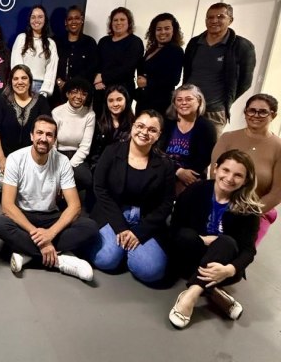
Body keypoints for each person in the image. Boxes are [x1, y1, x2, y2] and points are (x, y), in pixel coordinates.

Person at [0, 115, 98, 281]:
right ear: (31, 136)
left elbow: (75, 206)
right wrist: (42, 240)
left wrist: (50, 233)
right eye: (39, 133)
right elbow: (7, 205)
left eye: (49, 135)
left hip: (50, 216)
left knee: (90, 227)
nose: (43, 138)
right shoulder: (15, 158)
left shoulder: (62, 161)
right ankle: (60, 260)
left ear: (54, 140)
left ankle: (26, 252)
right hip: (24, 217)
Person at [168, 150, 262, 329]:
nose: (230, 178)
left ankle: (190, 296)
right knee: (186, 235)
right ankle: (212, 291)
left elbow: (248, 250)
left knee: (227, 242)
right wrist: (203, 240)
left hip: (221, 267)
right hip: (190, 254)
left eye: (238, 175)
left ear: (245, 180)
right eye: (226, 170)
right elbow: (175, 228)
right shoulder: (196, 190)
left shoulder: (249, 209)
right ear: (216, 169)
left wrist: (229, 270)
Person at [89, 110, 175, 283]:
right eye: (140, 126)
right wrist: (121, 227)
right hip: (113, 214)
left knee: (152, 271)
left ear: (158, 135)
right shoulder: (112, 151)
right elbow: (100, 188)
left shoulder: (165, 164)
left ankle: (126, 249)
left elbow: (166, 203)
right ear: (133, 126)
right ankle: (122, 249)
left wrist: (139, 232)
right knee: (105, 260)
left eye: (152, 130)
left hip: (144, 220)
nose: (144, 132)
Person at [211, 94, 281, 245]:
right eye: (251, 110)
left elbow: (277, 192)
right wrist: (224, 207)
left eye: (263, 112)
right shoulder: (227, 138)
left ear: (273, 115)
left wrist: (247, 213)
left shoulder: (278, 147)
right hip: (218, 206)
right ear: (245, 112)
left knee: (237, 251)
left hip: (256, 212)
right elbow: (215, 176)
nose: (256, 115)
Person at [183, 2, 256, 134]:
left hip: (214, 113)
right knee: (180, 143)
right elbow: (187, 73)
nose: (214, 20)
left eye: (220, 17)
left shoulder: (242, 46)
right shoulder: (195, 43)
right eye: (210, 17)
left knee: (208, 146)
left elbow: (245, 82)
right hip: (187, 108)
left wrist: (223, 102)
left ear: (230, 20)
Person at [0, 64, 51, 192]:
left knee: (31, 184)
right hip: (5, 153)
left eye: (24, 78)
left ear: (30, 81)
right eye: (15, 79)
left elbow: (46, 132)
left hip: (31, 156)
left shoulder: (41, 101)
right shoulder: (2, 101)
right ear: (11, 82)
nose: (20, 82)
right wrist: (2, 159)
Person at [159, 84, 216, 195]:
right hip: (163, 172)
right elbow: (157, 152)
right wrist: (177, 171)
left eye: (189, 99)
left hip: (191, 177)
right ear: (174, 104)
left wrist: (185, 179)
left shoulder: (206, 127)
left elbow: (204, 159)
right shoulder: (165, 123)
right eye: (179, 100)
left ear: (199, 101)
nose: (183, 103)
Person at [93, 7, 143, 114]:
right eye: (115, 20)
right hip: (101, 90)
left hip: (123, 90)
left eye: (122, 19)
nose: (118, 23)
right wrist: (97, 81)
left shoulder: (135, 42)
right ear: (111, 23)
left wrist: (103, 77)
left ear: (129, 22)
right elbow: (96, 64)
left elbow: (127, 68)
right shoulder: (103, 41)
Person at [135, 13, 185, 116]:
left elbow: (174, 79)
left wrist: (148, 82)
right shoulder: (152, 49)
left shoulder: (176, 50)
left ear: (173, 30)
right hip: (144, 101)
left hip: (160, 103)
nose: (162, 32)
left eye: (167, 28)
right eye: (159, 29)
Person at [52, 77, 96, 191]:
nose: (79, 97)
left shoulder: (90, 115)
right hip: (58, 154)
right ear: (67, 94)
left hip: (77, 155)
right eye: (75, 92)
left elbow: (85, 146)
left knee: (87, 179)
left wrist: (69, 166)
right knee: (52, 177)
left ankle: (70, 195)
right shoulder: (57, 112)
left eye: (83, 94)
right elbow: (52, 143)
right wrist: (57, 162)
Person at [11, 5, 58, 98]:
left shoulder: (51, 44)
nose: (36, 20)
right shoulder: (21, 38)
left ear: (45, 20)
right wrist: (20, 84)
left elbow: (51, 70)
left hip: (40, 88)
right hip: (22, 85)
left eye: (40, 17)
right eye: (33, 17)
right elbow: (16, 65)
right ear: (29, 20)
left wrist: (44, 92)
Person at [55, 5, 98, 105]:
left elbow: (92, 68)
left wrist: (71, 85)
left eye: (77, 18)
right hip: (58, 93)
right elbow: (50, 65)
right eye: (70, 19)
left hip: (81, 94)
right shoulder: (56, 42)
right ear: (66, 22)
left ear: (82, 20)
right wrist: (59, 82)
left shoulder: (90, 43)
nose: (73, 21)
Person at [88, 85, 134, 173]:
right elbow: (94, 155)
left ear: (126, 100)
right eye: (111, 100)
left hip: (126, 170)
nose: (115, 104)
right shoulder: (98, 125)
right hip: (102, 169)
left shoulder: (134, 125)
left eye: (119, 99)